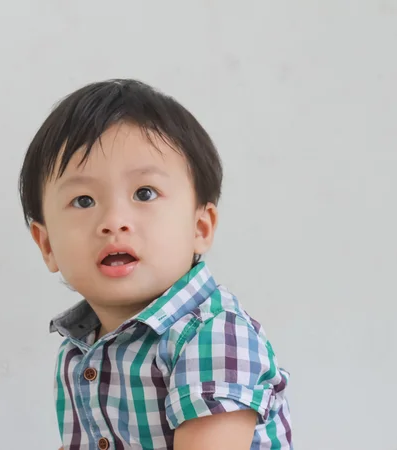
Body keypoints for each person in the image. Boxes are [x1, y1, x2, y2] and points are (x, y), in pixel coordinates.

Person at [18, 79, 292, 449]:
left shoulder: (211, 336)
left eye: (144, 193)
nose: (114, 220)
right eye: (83, 200)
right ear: (46, 243)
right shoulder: (78, 350)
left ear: (200, 226)